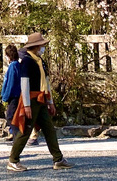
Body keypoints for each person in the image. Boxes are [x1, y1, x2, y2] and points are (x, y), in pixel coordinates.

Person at [6, 32, 73, 173]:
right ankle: (13, 160)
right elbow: (25, 83)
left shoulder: (40, 61)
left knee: (49, 129)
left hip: (41, 99)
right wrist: (27, 105)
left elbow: (46, 82)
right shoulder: (27, 61)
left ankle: (58, 159)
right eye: (42, 45)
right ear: (36, 46)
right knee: (25, 130)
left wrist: (50, 101)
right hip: (31, 99)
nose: (43, 47)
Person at [0, 44, 21, 142]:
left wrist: (5, 96)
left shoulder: (13, 66)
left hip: (13, 95)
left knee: (10, 116)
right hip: (16, 94)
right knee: (13, 115)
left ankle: (17, 135)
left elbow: (10, 83)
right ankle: (13, 133)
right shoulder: (16, 65)